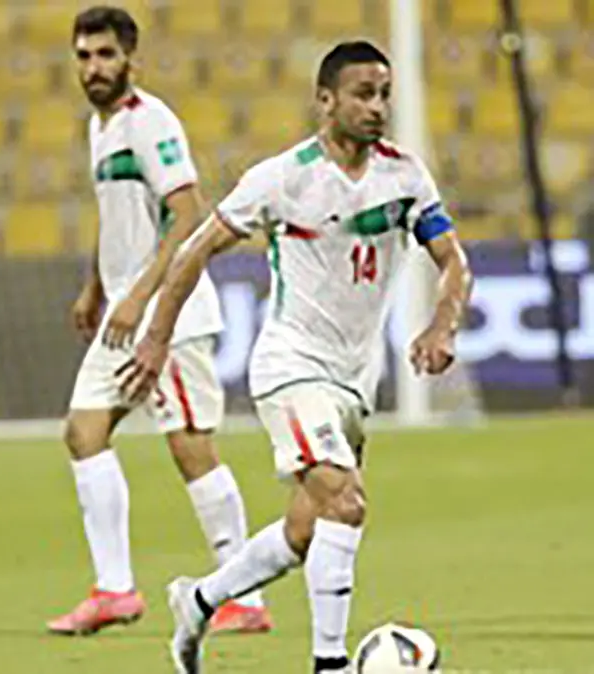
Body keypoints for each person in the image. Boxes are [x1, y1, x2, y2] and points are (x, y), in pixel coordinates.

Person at [120, 41, 473, 673]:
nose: (377, 107)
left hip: (354, 382)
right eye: (363, 94)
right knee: (347, 503)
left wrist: (442, 325)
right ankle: (329, 664)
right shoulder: (282, 178)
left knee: (306, 533)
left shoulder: (405, 176)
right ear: (326, 100)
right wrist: (156, 338)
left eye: (384, 94)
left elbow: (454, 262)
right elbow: (195, 251)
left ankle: (199, 603)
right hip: (291, 366)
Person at [46, 6, 271, 637]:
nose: (94, 67)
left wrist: (141, 297)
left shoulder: (151, 121)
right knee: (84, 432)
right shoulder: (100, 128)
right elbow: (116, 217)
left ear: (131, 60)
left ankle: (245, 597)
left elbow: (188, 212)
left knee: (190, 445)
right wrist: (95, 288)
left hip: (169, 314)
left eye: (105, 55)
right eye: (84, 56)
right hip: (123, 311)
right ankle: (114, 590)